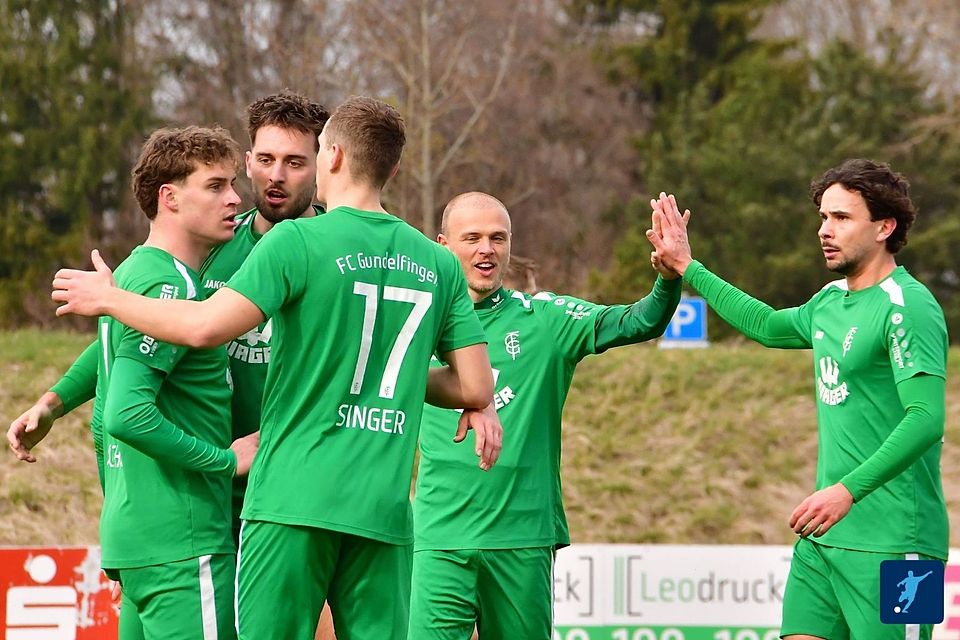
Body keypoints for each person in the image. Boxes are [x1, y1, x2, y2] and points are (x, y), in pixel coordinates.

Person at [51, 96, 502, 640]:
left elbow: (202, 327)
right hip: (382, 510)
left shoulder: (295, 241)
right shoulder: (437, 262)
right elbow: (477, 385)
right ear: (394, 167)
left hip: (289, 498)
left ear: (329, 157)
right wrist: (421, 384)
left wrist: (109, 299)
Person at [646, 159, 947, 640]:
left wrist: (847, 490)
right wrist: (688, 267)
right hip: (824, 540)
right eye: (823, 217)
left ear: (884, 227)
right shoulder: (828, 301)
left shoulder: (908, 306)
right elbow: (765, 325)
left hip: (899, 548)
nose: (825, 230)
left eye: (842, 218)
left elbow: (927, 418)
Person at [9, 92, 329, 543]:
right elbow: (142, 329)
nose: (276, 176)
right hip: (218, 478)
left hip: (303, 483)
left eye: (295, 163)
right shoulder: (210, 245)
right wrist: (54, 401)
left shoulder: (338, 253)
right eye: (266, 159)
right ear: (248, 160)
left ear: (324, 165)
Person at [408, 191, 682, 639]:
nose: (486, 249)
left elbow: (639, 321)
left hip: (522, 537)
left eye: (498, 238)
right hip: (438, 537)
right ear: (442, 244)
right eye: (472, 237)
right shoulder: (416, 322)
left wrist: (668, 280)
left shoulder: (545, 319)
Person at [95, 125, 259, 639]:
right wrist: (226, 461)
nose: (234, 198)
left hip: (137, 540)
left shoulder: (125, 282)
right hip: (183, 543)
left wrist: (54, 402)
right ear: (169, 198)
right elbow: (126, 415)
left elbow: (102, 411)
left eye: (233, 184)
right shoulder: (170, 287)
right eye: (214, 186)